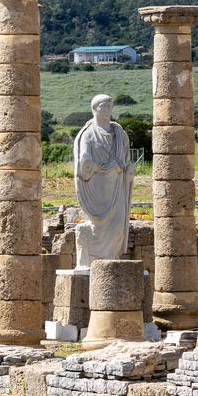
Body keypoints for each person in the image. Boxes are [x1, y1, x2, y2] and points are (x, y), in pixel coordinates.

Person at [74, 92, 132, 266]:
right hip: (97, 188)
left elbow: (126, 159)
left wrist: (128, 169)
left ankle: (111, 261)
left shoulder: (119, 133)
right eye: (103, 106)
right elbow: (84, 165)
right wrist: (104, 167)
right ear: (94, 109)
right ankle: (92, 260)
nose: (107, 109)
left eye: (109, 106)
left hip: (117, 186)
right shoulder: (88, 134)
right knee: (95, 228)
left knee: (118, 229)